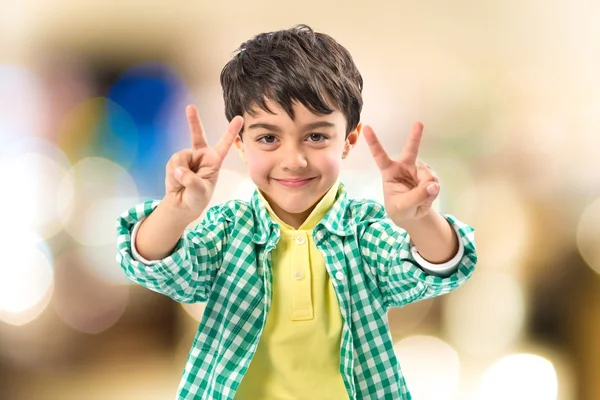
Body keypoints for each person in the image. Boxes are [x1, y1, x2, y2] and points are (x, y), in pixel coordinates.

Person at [116, 24, 477, 400]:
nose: (294, 160)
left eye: (317, 136)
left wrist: (418, 220)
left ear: (348, 142)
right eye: (268, 138)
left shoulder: (364, 231)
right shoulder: (228, 231)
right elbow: (157, 268)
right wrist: (176, 211)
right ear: (241, 145)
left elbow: (435, 272)